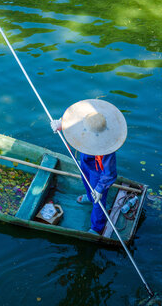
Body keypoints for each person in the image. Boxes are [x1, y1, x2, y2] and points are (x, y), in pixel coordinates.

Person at [50, 99, 127, 235]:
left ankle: (97, 227)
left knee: (99, 200)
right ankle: (89, 197)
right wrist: (61, 124)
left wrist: (99, 188)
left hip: (99, 172)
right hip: (86, 161)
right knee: (85, 180)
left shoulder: (107, 148)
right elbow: (73, 120)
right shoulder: (87, 121)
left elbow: (109, 173)